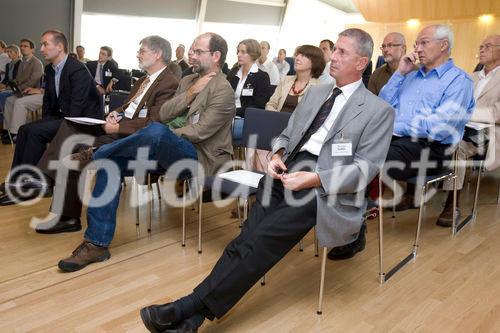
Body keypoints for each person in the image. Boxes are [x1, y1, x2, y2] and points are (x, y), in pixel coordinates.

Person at [139, 28, 395, 333]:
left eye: (342, 52)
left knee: (260, 240)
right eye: (335, 49)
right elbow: (287, 134)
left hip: (326, 186)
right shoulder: (315, 93)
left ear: (362, 62)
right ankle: (193, 320)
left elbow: (366, 168)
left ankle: (188, 307)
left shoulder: (379, 111)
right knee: (246, 238)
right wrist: (276, 154)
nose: (333, 57)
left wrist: (314, 178)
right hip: (286, 169)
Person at [57, 32, 235, 272]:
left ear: (216, 56)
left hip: (198, 156)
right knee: (113, 162)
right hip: (167, 149)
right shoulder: (187, 80)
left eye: (197, 51)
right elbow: (164, 113)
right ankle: (96, 244)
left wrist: (163, 135)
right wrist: (191, 93)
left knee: (156, 132)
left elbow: (200, 131)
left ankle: (97, 152)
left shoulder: (223, 90)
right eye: (191, 50)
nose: (191, 55)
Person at [327, 24, 475, 260]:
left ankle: (352, 231)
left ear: (444, 45)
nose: (417, 48)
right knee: (340, 150)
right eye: (416, 43)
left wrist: (392, 126)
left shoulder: (459, 81)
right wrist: (400, 73)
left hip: (432, 150)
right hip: (397, 143)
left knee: (365, 159)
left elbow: (437, 129)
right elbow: (382, 107)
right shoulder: (410, 75)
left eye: (423, 42)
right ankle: (346, 222)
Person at [30, 35, 180, 233]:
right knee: (70, 126)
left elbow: (154, 123)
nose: (137, 54)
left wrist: (118, 127)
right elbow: (130, 106)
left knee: (74, 150)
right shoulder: (144, 80)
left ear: (158, 54)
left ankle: (65, 215)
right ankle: (47, 179)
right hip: (119, 127)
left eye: (142, 51)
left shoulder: (168, 82)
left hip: (133, 138)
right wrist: (114, 114)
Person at [0, 30, 102, 205]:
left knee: (35, 132)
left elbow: (77, 109)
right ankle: (17, 180)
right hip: (64, 116)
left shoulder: (77, 70)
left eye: (45, 44)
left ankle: (31, 185)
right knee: (25, 129)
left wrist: (46, 126)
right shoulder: (50, 69)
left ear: (60, 47)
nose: (41, 48)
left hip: (83, 121)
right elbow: (48, 101)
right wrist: (45, 121)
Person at [438, 34, 500, 226]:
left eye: (487, 46)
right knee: (427, 137)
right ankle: (414, 191)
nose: (481, 49)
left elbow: (496, 113)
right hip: (461, 127)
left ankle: (452, 203)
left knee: (457, 147)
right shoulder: (470, 77)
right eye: (481, 46)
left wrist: (464, 114)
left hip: (489, 132)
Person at [246, 45, 325, 172]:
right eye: (297, 54)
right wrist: (276, 119)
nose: (297, 58)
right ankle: (259, 179)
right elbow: (271, 104)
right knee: (256, 141)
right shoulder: (286, 80)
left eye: (303, 56)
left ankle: (269, 178)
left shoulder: (319, 87)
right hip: (276, 126)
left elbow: (313, 117)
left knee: (268, 144)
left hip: (297, 133)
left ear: (314, 62)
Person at [227, 39, 272, 117]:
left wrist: (232, 111)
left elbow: (258, 105)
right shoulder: (234, 72)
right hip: (226, 115)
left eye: (243, 52)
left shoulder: (262, 77)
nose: (238, 55)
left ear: (253, 54)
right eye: (238, 51)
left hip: (244, 118)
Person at [0, 38, 43, 113]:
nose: (22, 48)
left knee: (3, 95)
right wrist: (10, 87)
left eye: (25, 46)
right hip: (19, 89)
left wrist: (16, 89)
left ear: (32, 50)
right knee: (5, 96)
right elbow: (17, 79)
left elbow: (32, 82)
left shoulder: (37, 63)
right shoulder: (22, 62)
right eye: (21, 46)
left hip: (30, 91)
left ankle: (3, 118)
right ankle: (6, 120)